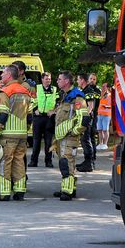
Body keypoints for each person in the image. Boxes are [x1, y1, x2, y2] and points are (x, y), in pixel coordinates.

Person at [0, 65, 31, 201]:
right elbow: (29, 114)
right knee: (19, 161)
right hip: (22, 134)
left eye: (3, 73)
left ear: (8, 75)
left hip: (7, 134)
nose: (1, 75)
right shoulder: (26, 91)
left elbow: (2, 114)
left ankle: (3, 192)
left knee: (4, 162)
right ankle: (19, 191)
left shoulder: (5, 92)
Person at [52, 71, 90, 201]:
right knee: (65, 162)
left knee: (67, 162)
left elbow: (84, 118)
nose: (57, 81)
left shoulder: (77, 97)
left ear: (67, 81)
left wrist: (75, 132)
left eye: (60, 79)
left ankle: (67, 192)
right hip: (62, 136)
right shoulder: (65, 96)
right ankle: (68, 188)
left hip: (70, 137)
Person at [29, 72, 56, 168]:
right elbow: (31, 100)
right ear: (42, 79)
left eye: (49, 79)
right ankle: (33, 161)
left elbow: (57, 102)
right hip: (38, 117)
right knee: (36, 141)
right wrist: (34, 109)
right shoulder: (37, 88)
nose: (48, 80)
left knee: (48, 141)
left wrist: (54, 110)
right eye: (46, 78)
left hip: (49, 118)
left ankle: (48, 161)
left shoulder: (54, 89)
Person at [76, 73, 97, 172]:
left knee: (86, 140)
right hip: (84, 118)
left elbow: (90, 106)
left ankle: (89, 163)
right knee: (85, 140)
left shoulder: (88, 91)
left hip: (86, 119)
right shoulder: (84, 90)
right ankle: (87, 161)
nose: (77, 81)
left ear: (83, 80)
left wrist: (85, 118)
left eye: (78, 80)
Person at [96, 82, 112, 151]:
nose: (102, 88)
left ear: (107, 87)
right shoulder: (101, 95)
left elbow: (113, 105)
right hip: (99, 114)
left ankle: (105, 144)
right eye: (102, 86)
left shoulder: (110, 95)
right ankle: (101, 143)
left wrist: (106, 106)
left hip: (107, 114)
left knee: (105, 130)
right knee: (99, 130)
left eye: (104, 86)